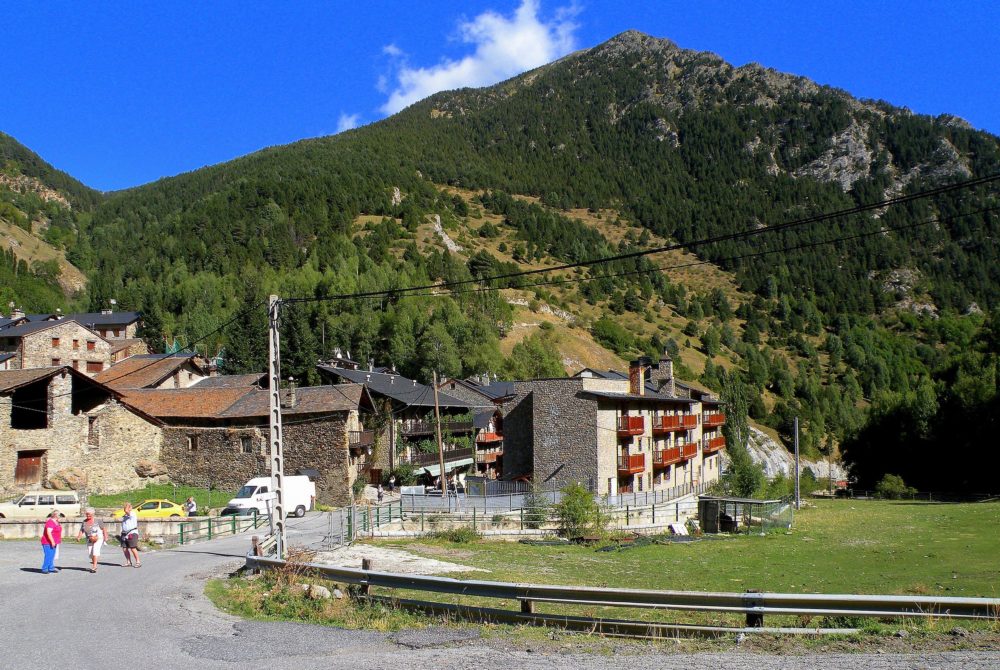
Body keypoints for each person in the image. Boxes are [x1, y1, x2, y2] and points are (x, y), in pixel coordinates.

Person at [76, 508, 107, 574]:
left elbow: (103, 528)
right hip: (89, 539)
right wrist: (79, 537)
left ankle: (94, 566)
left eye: (89, 515)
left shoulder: (98, 521)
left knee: (95, 550)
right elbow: (82, 530)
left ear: (93, 514)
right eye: (87, 514)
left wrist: (105, 536)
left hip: (98, 538)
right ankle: (94, 564)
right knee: (91, 553)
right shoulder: (84, 522)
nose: (88, 516)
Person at [119, 502, 141, 568]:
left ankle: (138, 562)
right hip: (124, 534)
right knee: (124, 548)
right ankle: (128, 562)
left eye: (127, 507)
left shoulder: (132, 513)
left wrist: (127, 506)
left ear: (130, 508)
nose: (125, 509)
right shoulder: (124, 516)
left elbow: (127, 511)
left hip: (132, 533)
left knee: (133, 548)